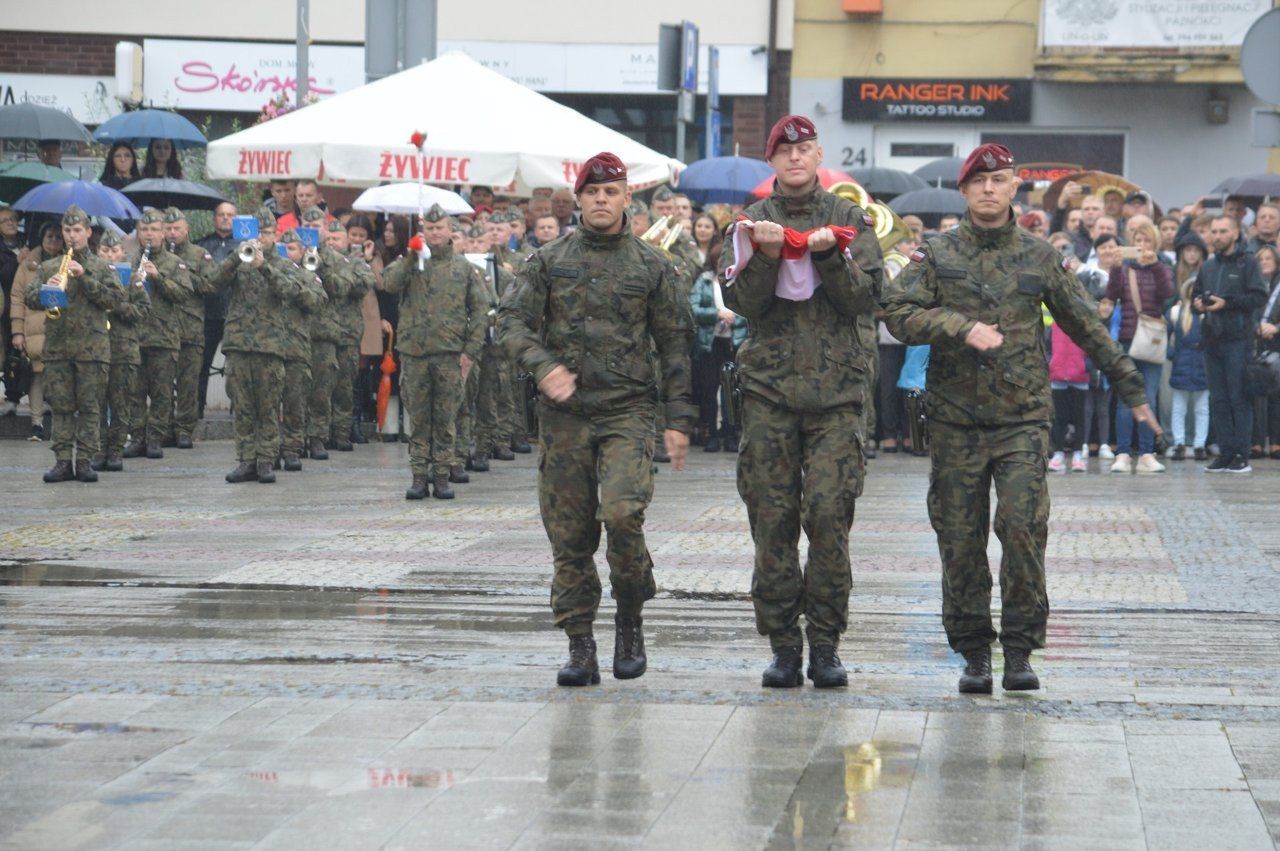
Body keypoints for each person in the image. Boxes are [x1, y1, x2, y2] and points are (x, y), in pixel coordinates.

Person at [882, 143, 1157, 694]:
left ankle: (1020, 649)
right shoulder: (936, 255)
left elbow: (1084, 323)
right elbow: (895, 311)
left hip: (1021, 420)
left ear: (1014, 189)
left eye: (999, 180)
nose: (989, 189)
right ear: (963, 192)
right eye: (979, 181)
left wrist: (1130, 387)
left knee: (1023, 530)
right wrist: (957, 325)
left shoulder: (1038, 255)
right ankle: (974, 652)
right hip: (956, 421)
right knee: (959, 537)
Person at [500, 152, 695, 687]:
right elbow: (510, 322)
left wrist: (678, 419)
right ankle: (580, 643)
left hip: (628, 411)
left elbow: (676, 345)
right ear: (579, 199)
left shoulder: (653, 266)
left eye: (611, 192)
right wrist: (544, 368)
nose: (602, 200)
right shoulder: (548, 260)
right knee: (570, 534)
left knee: (623, 514)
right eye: (592, 193)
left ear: (626, 197)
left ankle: (630, 615)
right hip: (564, 417)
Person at [718, 115, 883, 689]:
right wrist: (765, 256)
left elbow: (867, 298)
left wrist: (830, 256)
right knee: (772, 521)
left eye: (804, 149)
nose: (794, 158)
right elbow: (742, 302)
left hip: (837, 395)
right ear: (772, 162)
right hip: (769, 394)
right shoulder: (749, 223)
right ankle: (785, 644)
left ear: (818, 156)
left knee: (831, 519)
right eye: (784, 151)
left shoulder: (849, 219)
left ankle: (827, 644)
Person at [382, 205, 487, 498]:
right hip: (415, 352)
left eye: (440, 228)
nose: (435, 233)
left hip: (449, 353)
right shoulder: (412, 262)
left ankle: (441, 475)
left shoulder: (464, 268)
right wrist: (411, 256)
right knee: (418, 418)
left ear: (450, 231)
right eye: (430, 228)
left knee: (445, 418)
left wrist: (471, 350)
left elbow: (480, 310)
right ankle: (418, 476)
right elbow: (388, 284)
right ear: (423, 231)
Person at [22, 205, 118, 483]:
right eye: (67, 230)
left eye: (77, 230)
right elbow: (30, 298)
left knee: (90, 407)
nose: (72, 236)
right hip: (59, 348)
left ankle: (85, 460)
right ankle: (63, 461)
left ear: (88, 232)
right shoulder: (49, 266)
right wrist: (47, 290)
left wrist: (84, 277)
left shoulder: (100, 267)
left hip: (92, 350)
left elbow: (113, 300)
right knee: (62, 407)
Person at [209, 209, 304, 482]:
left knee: (268, 405)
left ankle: (266, 460)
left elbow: (290, 291)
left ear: (274, 235)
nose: (261, 238)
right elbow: (213, 283)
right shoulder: (238, 259)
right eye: (257, 233)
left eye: (265, 233)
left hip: (270, 344)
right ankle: (246, 459)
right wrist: (234, 259)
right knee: (243, 405)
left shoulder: (283, 264)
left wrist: (263, 266)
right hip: (239, 342)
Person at [1195, 215, 1269, 473]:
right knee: (1218, 399)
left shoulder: (1248, 262)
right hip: (1212, 339)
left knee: (1239, 397)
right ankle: (1225, 452)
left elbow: (1259, 295)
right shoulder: (1208, 266)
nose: (1217, 236)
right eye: (1214, 231)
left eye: (1223, 231)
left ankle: (1241, 453)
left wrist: (1227, 303)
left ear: (1236, 233)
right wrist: (1198, 304)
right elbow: (1196, 294)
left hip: (1238, 339)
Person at [1100, 220, 1173, 474]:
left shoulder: (1160, 267)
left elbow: (1168, 293)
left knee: (1149, 396)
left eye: (1147, 241)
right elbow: (1111, 294)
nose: (1142, 246)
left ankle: (1146, 453)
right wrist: (1116, 267)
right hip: (1128, 339)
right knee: (1125, 399)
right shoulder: (1124, 268)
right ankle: (1122, 453)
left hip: (1151, 340)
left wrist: (1154, 264)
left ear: (1154, 244)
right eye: (1138, 241)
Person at [127, 208, 193, 460]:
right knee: (134, 391)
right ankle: (138, 437)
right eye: (144, 230)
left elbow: (184, 294)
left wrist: (159, 277)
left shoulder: (175, 263)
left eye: (154, 230)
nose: (149, 235)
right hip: (135, 335)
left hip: (163, 337)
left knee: (162, 392)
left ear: (164, 232)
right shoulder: (130, 259)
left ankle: (155, 437)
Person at [299, 207, 352, 461]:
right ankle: (295, 439)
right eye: (306, 224)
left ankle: (318, 437)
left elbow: (341, 289)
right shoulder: (291, 251)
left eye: (316, 224)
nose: (311, 228)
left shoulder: (336, 258)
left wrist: (322, 263)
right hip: (296, 332)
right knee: (295, 390)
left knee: (321, 390)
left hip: (324, 332)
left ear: (325, 225)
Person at [93, 231, 150, 471]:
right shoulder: (90, 276)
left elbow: (143, 310)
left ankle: (115, 451)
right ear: (98, 253)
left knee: (120, 403)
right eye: (105, 251)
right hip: (95, 349)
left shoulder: (132, 278)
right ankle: (98, 450)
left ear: (122, 253)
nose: (109, 255)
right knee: (95, 404)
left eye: (114, 251)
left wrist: (116, 306)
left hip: (123, 349)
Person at [275, 229, 328, 471]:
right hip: (271, 346)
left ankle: (293, 448)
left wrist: (294, 286)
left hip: (296, 347)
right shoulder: (270, 273)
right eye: (283, 249)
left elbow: (318, 301)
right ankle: (270, 448)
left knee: (295, 401)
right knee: (269, 402)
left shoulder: (308, 276)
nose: (287, 254)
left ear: (302, 252)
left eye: (292, 249)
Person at [163, 208, 215, 448]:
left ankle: (184, 429)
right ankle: (162, 427)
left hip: (190, 328)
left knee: (188, 382)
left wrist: (184, 274)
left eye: (177, 229)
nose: (172, 233)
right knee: (161, 383)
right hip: (163, 328)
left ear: (187, 230)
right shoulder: (158, 255)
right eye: (169, 229)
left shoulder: (200, 254)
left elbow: (211, 286)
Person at [322, 217, 374, 450]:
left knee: (344, 387)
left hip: (347, 334)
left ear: (345, 241)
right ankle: (320, 434)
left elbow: (363, 285)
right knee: (321, 386)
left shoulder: (356, 263)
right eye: (329, 238)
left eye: (337, 238)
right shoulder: (318, 261)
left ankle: (341, 433)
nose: (332, 242)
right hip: (322, 333)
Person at [10, 223, 63, 439]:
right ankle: (36, 423)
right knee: (38, 376)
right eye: (49, 236)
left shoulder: (68, 262)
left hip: (60, 328)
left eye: (57, 237)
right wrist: (17, 331)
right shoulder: (27, 265)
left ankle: (61, 425)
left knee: (60, 377)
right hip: (33, 329)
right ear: (42, 238)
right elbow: (17, 297)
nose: (53, 241)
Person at [196, 202, 239, 418]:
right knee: (201, 364)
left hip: (235, 315)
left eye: (230, 215)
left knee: (238, 369)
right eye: (221, 215)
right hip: (209, 314)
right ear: (214, 219)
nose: (225, 218)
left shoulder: (244, 246)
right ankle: (197, 409)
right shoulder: (203, 245)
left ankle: (240, 411)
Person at [1166, 254, 1209, 461]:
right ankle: (1179, 442)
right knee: (1180, 407)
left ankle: (1200, 444)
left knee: (1201, 408)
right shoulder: (1176, 312)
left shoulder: (1207, 314)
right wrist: (1172, 354)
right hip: (1183, 365)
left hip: (1201, 365)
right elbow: (1166, 335)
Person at [1256, 245, 1280, 458]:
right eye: (1260, 258)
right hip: (1254, 344)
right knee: (1254, 394)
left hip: (1276, 345)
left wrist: (1276, 327)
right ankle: (1255, 441)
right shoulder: (1253, 284)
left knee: (1276, 394)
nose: (1264, 261)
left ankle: (1275, 441)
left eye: (1268, 258)